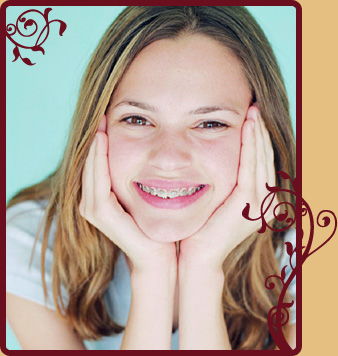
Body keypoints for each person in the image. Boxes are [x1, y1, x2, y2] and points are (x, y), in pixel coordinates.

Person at [6, 6, 296, 350]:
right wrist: (152, 272)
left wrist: (202, 269)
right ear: (95, 126)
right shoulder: (29, 242)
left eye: (211, 123)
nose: (168, 159)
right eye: (138, 119)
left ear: (263, 134)